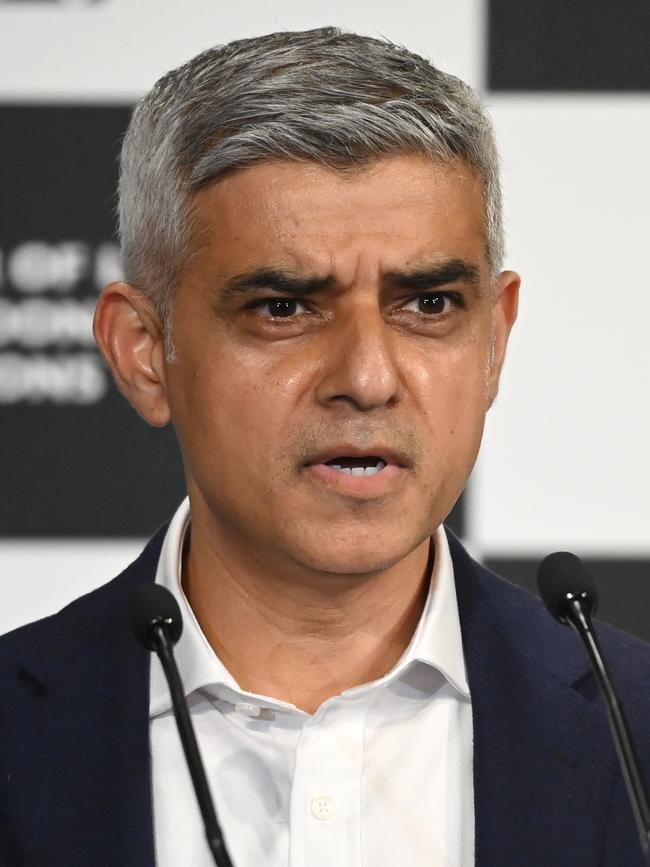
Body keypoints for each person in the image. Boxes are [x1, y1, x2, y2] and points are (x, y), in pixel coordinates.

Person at [1, 26, 649, 867]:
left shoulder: (633, 724)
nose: (369, 377)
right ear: (143, 351)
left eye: (428, 304)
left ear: (495, 338)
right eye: (284, 308)